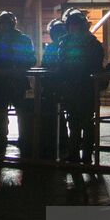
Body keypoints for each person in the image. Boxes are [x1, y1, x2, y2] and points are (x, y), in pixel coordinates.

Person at [58, 9, 105, 163]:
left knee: (85, 122)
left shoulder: (89, 43)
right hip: (74, 87)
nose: (73, 28)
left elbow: (94, 65)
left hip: (84, 88)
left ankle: (85, 155)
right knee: (75, 122)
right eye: (72, 25)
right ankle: (76, 153)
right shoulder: (68, 42)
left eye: (76, 25)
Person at [0, 11, 36, 158]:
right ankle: (15, 139)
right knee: (11, 112)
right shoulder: (22, 39)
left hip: (9, 80)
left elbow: (30, 59)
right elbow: (31, 59)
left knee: (9, 112)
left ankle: (5, 139)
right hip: (12, 80)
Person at [35, 18, 69, 161]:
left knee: (59, 115)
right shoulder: (62, 46)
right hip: (60, 86)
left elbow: (45, 65)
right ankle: (65, 144)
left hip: (56, 86)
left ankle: (60, 143)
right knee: (62, 116)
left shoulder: (53, 47)